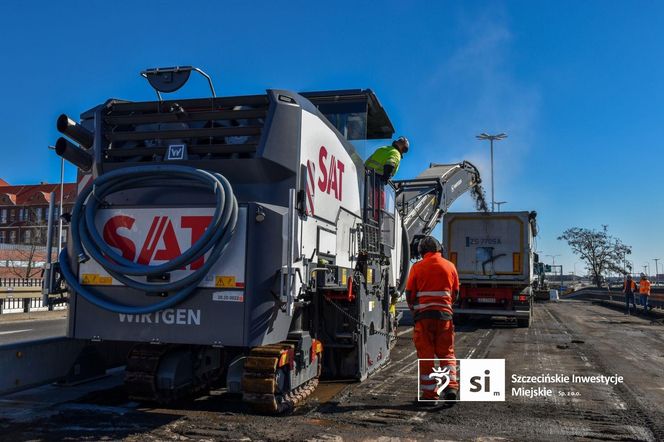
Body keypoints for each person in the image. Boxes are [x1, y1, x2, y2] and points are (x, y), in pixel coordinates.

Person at [405, 236, 460, 404]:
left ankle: (430, 396)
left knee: (427, 356)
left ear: (422, 252)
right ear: (439, 249)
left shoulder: (417, 267)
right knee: (446, 353)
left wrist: (415, 312)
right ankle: (450, 387)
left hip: (424, 318)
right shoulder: (450, 266)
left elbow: (409, 294)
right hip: (444, 318)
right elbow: (455, 293)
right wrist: (446, 307)